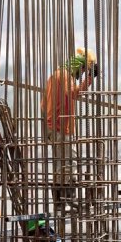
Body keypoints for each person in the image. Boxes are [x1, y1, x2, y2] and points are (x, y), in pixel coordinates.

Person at [41, 47, 98, 204]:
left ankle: (59, 200)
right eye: (84, 69)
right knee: (70, 161)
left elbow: (43, 104)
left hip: (53, 124)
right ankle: (68, 196)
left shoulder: (56, 74)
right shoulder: (65, 76)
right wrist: (89, 80)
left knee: (60, 162)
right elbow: (73, 93)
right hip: (61, 125)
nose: (82, 73)